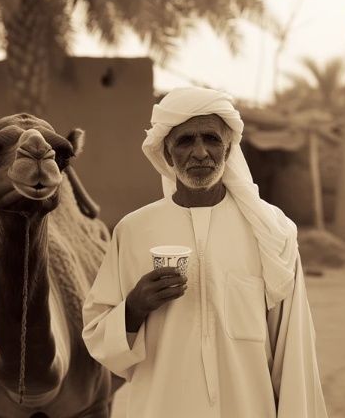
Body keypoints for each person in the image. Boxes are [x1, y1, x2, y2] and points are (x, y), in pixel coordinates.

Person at [82, 87, 328, 417]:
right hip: (162, 406)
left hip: (247, 407)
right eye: (185, 141)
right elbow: (98, 336)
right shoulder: (133, 231)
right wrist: (134, 308)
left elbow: (292, 349)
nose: (200, 153)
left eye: (211, 139)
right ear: (167, 154)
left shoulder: (271, 231)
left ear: (228, 148)